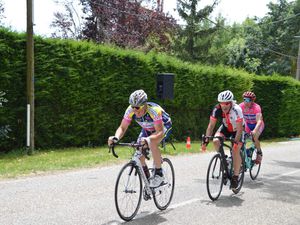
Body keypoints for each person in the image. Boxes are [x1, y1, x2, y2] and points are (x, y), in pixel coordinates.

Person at [108, 89, 172, 188]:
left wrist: (148, 140)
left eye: (137, 107)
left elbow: (159, 132)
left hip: (163, 127)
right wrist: (116, 137)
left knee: (152, 142)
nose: (135, 110)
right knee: (139, 155)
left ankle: (159, 174)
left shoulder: (154, 111)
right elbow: (123, 127)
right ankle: (148, 183)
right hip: (147, 128)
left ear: (145, 105)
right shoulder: (130, 110)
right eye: (132, 107)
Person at [202, 90, 244, 191]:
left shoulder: (237, 110)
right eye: (221, 103)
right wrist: (206, 140)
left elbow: (239, 129)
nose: (223, 106)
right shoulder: (217, 109)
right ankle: (224, 160)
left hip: (237, 131)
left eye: (226, 103)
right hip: (226, 128)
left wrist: (236, 142)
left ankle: (235, 177)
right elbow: (211, 125)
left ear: (231, 103)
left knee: (235, 150)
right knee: (216, 141)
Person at [239, 91, 264, 164]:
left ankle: (259, 152)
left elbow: (259, 121)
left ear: (252, 101)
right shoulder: (241, 106)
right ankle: (245, 156)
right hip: (248, 124)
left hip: (257, 124)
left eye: (248, 100)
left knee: (254, 136)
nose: (246, 102)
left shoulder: (256, 107)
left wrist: (255, 131)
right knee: (244, 139)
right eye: (244, 99)